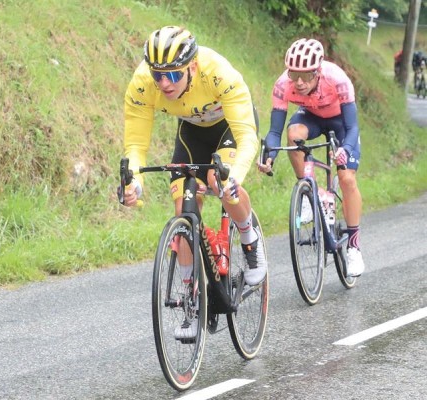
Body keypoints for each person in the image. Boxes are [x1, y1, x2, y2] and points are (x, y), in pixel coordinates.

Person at [121, 26, 267, 339]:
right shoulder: (144, 84)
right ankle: (191, 300)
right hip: (191, 134)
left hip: (229, 126)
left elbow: (247, 141)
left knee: (219, 180)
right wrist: (134, 182)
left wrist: (234, 177)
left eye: (173, 75)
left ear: (193, 66)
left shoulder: (217, 73)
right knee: (183, 209)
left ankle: (248, 237)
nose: (164, 83)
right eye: (158, 74)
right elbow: (135, 145)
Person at [257, 38, 365, 277]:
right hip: (311, 117)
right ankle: (308, 192)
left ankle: (354, 246)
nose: (299, 82)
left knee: (347, 178)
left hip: (341, 122)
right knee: (293, 134)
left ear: (318, 71)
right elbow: (275, 132)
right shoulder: (283, 85)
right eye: (294, 74)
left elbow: (353, 127)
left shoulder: (337, 79)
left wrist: (345, 149)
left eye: (306, 76)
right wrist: (269, 156)